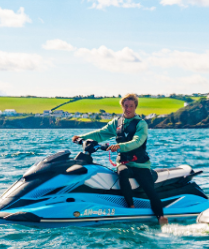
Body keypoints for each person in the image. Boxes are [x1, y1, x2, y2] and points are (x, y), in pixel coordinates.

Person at [72, 94, 168, 225]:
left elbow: (137, 141)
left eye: (131, 106)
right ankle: (131, 207)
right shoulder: (117, 123)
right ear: (122, 106)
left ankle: (161, 217)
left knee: (149, 189)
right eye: (126, 106)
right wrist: (81, 137)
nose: (128, 109)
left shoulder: (141, 124)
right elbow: (100, 134)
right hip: (124, 163)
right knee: (122, 172)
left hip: (140, 165)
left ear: (135, 107)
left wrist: (119, 146)